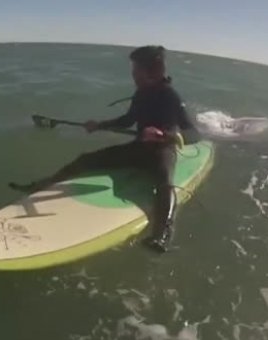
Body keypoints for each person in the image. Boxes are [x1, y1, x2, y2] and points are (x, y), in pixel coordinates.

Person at [10, 45, 201, 253]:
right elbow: (128, 120)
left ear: (152, 71)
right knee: (86, 159)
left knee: (164, 182)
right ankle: (40, 186)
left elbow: (193, 133)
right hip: (139, 149)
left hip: (162, 151)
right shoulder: (141, 93)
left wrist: (167, 136)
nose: (133, 74)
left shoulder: (170, 95)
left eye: (136, 70)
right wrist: (99, 125)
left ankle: (161, 235)